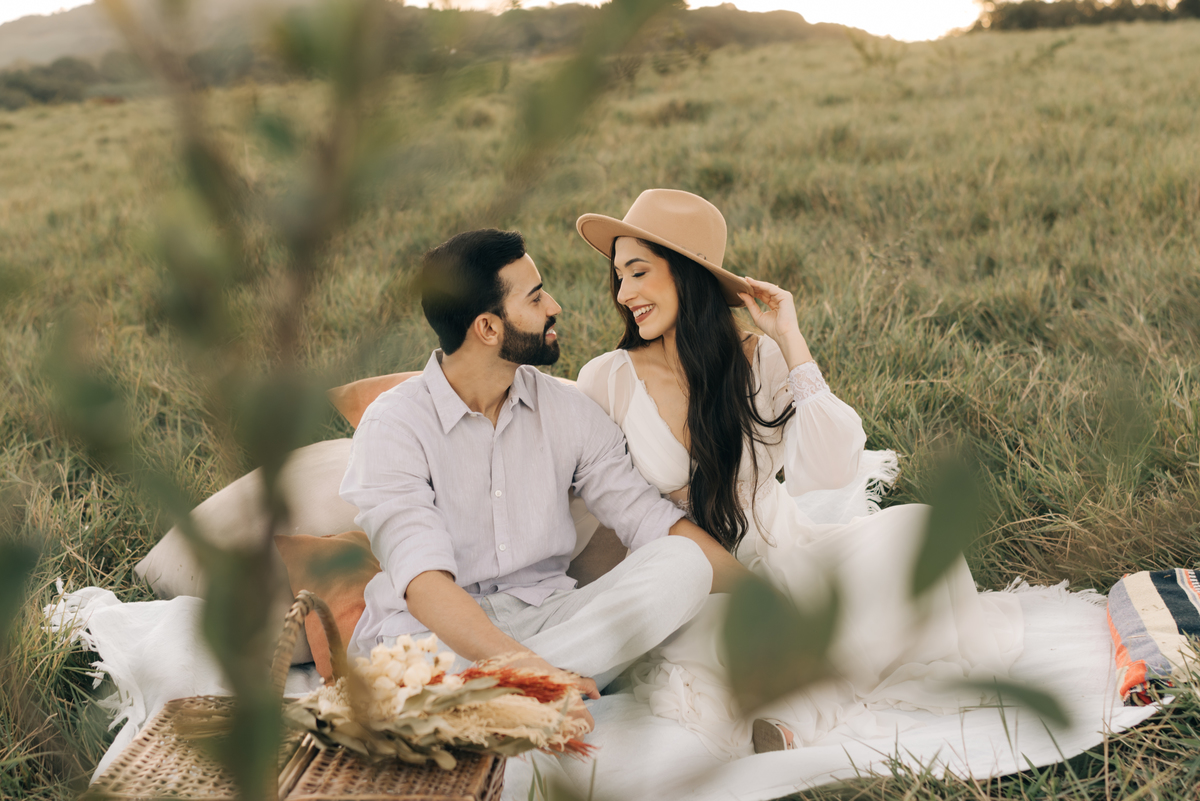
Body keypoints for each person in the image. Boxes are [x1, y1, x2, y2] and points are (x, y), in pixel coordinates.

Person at [573, 189, 1025, 756]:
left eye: (638, 272)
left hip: (783, 550)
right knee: (726, 642)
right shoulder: (608, 377)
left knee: (917, 534)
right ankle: (794, 702)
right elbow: (579, 474)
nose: (624, 293)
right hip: (690, 578)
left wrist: (790, 338)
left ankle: (800, 682)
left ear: (687, 275)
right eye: (618, 277)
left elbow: (834, 469)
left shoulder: (760, 359)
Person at [339, 228, 750, 734]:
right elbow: (422, 582)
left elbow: (647, 519)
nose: (554, 306)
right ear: (489, 328)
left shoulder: (568, 410)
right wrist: (521, 663)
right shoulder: (393, 425)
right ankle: (512, 689)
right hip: (434, 637)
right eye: (535, 298)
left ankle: (496, 699)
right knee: (416, 669)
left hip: (558, 621)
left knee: (684, 563)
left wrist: (760, 599)